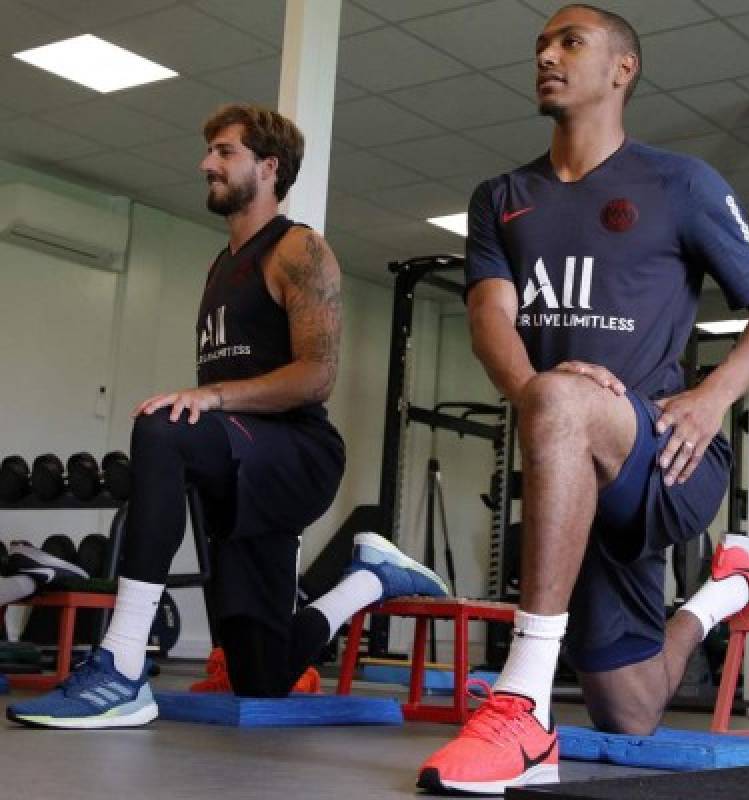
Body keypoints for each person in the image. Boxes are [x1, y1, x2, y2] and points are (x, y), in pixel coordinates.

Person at [417, 5, 749, 794]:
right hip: (575, 477)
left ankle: (522, 704)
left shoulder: (681, 182)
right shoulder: (500, 195)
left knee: (563, 400)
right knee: (631, 711)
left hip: (665, 455)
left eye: (570, 42)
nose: (547, 57)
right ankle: (729, 586)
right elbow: (491, 317)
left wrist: (712, 396)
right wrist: (539, 398)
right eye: (540, 46)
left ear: (623, 69)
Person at [8, 104, 447, 730]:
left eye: (224, 151)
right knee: (261, 678)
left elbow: (315, 375)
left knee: (163, 424)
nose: (205, 164)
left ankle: (122, 663)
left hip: (296, 454)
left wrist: (211, 398)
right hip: (239, 467)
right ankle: (373, 579)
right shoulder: (222, 265)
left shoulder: (300, 250)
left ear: (268, 167)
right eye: (210, 152)